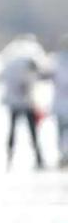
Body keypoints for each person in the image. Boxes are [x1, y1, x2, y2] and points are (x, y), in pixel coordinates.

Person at [0, 34, 46, 170]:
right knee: (29, 131)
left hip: (17, 102)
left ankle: (14, 158)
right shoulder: (25, 63)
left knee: (17, 131)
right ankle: (35, 158)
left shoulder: (13, 62)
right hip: (23, 103)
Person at [51, 35, 68, 167]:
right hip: (61, 103)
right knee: (62, 130)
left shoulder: (56, 60)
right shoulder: (57, 60)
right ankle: (63, 155)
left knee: (62, 130)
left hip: (61, 103)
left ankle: (64, 154)